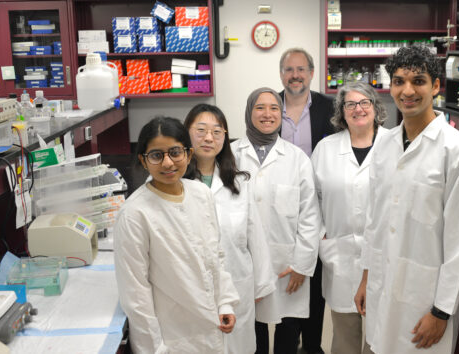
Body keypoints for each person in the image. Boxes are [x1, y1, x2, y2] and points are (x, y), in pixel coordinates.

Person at [354, 45, 459, 354]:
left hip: (423, 300)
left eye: (419, 81)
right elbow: (376, 221)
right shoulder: (384, 146)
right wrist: (365, 278)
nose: (407, 91)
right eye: (399, 81)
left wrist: (441, 311)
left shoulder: (458, 152)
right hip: (382, 286)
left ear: (436, 86)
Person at [114, 117, 240, 353]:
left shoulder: (201, 194)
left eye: (175, 152)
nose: (168, 163)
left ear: (189, 154)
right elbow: (136, 294)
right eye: (156, 155)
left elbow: (217, 256)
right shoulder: (134, 214)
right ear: (143, 160)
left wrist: (225, 302)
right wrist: (155, 349)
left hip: (212, 327)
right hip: (172, 337)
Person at [231, 88, 323, 354]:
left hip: (287, 268)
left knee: (288, 337)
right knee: (252, 336)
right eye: (260, 107)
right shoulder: (230, 155)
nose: (268, 114)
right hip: (245, 265)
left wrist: (302, 265)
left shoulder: (297, 158)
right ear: (249, 113)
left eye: (274, 108)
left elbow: (310, 216)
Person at [183, 104, 276, 354]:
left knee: (237, 347)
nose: (209, 138)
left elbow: (255, 236)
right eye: (200, 130)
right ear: (186, 134)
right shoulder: (173, 183)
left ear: (225, 137)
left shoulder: (238, 183)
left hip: (236, 285)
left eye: (217, 131)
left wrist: (260, 285)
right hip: (189, 290)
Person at [311, 81, 388, 354]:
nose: (358, 109)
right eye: (350, 104)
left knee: (380, 336)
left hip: (383, 257)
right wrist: (322, 236)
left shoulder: (394, 146)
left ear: (375, 108)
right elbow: (312, 200)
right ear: (341, 112)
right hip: (339, 255)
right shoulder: (325, 149)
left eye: (364, 102)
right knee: (344, 336)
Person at [278, 47, 334, 354]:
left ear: (312, 73)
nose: (295, 75)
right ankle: (289, 344)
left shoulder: (330, 107)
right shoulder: (269, 106)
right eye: (289, 69)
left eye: (301, 69)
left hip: (322, 207)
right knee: (288, 275)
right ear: (281, 74)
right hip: (282, 209)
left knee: (316, 282)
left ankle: (312, 346)